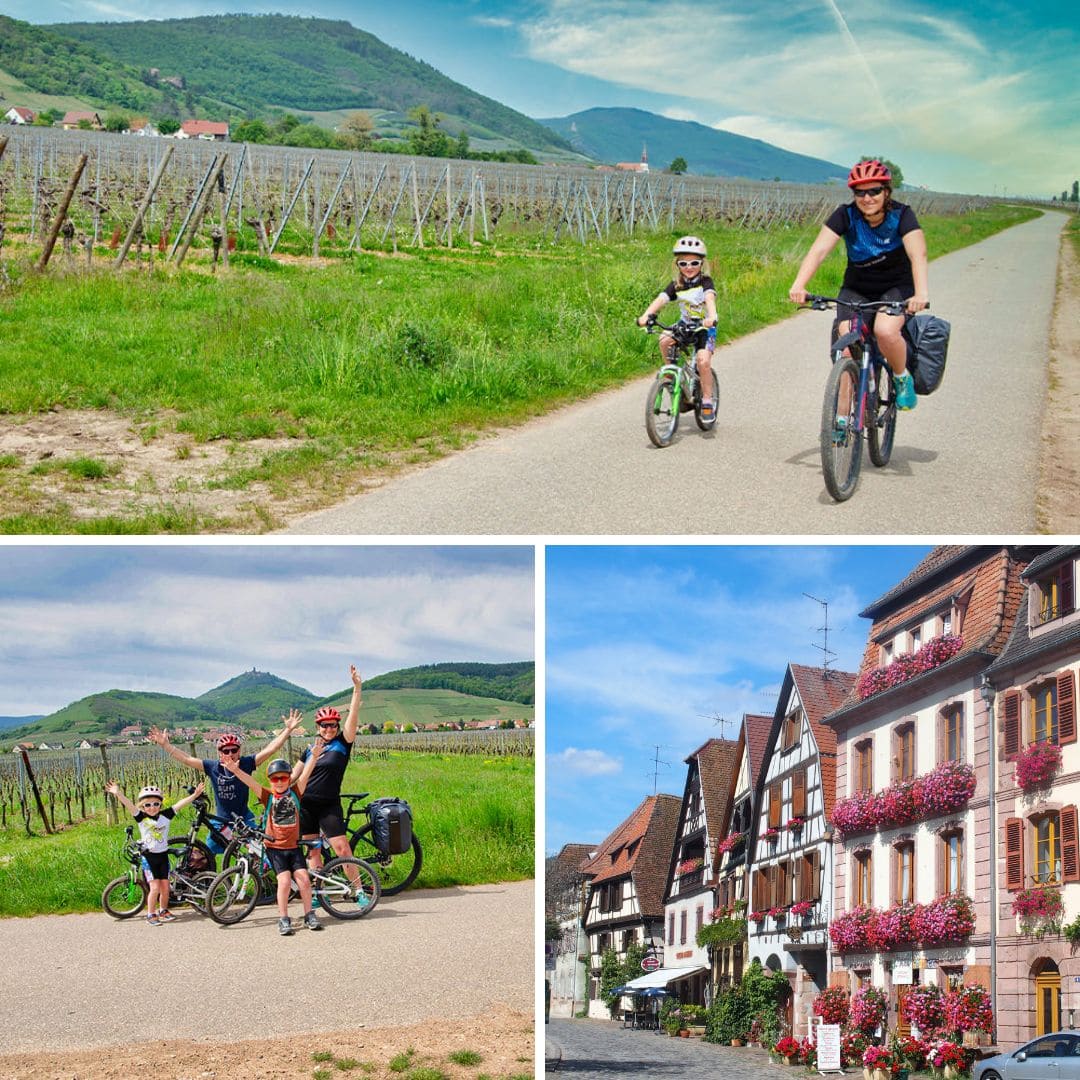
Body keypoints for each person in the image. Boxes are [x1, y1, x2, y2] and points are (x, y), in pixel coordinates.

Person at [788, 159, 929, 411]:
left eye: (874, 191)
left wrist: (921, 293)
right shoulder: (846, 214)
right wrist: (799, 285)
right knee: (846, 344)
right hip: (857, 288)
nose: (867, 198)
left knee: (886, 331)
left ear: (886, 192)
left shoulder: (902, 215)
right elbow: (818, 251)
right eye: (860, 192)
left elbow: (917, 254)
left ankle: (900, 376)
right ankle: (841, 422)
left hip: (896, 287)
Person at [148, 711, 304, 856]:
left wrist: (288, 730)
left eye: (234, 750)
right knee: (204, 854)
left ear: (239, 751)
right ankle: (210, 879)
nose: (230, 754)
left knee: (262, 849)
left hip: (244, 817)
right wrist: (166, 745)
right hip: (221, 820)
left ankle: (260, 877)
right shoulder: (212, 767)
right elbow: (187, 759)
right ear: (219, 753)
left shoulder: (246, 763)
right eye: (225, 751)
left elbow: (271, 749)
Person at [220, 745, 325, 935]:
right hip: (275, 848)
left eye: (283, 778)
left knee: (304, 879)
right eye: (275, 779)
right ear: (270, 781)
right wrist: (235, 770)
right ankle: (283, 918)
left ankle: (309, 913)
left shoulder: (295, 793)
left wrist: (314, 758)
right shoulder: (267, 796)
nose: (279, 782)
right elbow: (250, 782)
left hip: (294, 847)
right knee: (284, 881)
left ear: (288, 779)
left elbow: (305, 775)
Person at [637, 236, 719, 421]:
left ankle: (706, 400)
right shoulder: (677, 285)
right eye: (683, 263)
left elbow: (710, 299)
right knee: (664, 339)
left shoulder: (705, 282)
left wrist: (712, 317)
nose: (689, 267)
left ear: (701, 263)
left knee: (702, 361)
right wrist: (646, 315)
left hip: (705, 327)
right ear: (677, 265)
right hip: (685, 325)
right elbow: (661, 299)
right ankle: (674, 379)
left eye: (694, 263)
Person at [104, 780, 205, 925]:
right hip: (149, 858)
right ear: (142, 806)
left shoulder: (166, 815)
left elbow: (180, 804)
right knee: (155, 887)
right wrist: (118, 793)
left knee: (165, 887)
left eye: (156, 804)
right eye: (148, 805)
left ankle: (163, 910)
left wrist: (194, 795)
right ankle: (151, 914)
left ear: (160, 805)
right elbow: (129, 805)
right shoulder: (141, 818)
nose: (152, 807)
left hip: (163, 856)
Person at [294, 664, 362, 876]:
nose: (329, 729)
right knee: (313, 853)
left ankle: (358, 891)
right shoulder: (309, 749)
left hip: (328, 804)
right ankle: (317, 892)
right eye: (324, 725)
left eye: (333, 725)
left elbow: (352, 717)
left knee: (342, 849)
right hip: (305, 805)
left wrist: (356, 688)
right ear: (317, 727)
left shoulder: (343, 742)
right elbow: (294, 776)